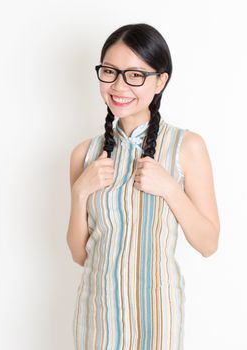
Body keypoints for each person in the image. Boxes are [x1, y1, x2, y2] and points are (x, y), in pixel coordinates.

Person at [66, 23, 220, 349]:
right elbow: (80, 254)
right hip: (97, 315)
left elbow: (208, 243)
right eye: (110, 71)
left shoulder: (186, 146)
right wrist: (81, 191)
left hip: (158, 318)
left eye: (135, 75)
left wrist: (170, 189)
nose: (119, 85)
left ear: (160, 80)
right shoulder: (85, 154)